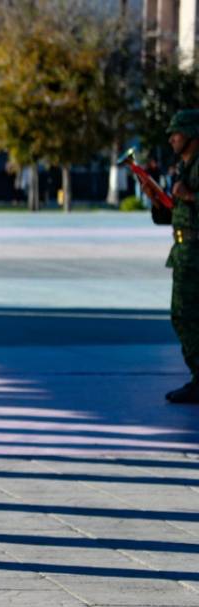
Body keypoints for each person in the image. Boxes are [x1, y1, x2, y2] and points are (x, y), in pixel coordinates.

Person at [141, 111, 199, 403]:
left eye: (177, 132)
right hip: (184, 252)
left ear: (192, 133)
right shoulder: (185, 166)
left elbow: (189, 200)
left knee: (186, 316)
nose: (171, 137)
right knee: (186, 316)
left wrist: (189, 196)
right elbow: (177, 214)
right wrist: (159, 201)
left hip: (196, 253)